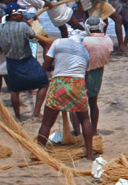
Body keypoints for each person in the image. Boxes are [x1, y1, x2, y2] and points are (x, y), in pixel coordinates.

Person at [37, 30, 95, 161]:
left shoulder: (58, 42)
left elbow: (46, 64)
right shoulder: (85, 52)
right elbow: (85, 74)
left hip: (60, 83)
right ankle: (90, 154)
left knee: (46, 123)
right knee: (85, 119)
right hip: (77, 84)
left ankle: (38, 153)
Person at [0, 3, 49, 120]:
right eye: (20, 13)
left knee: (14, 89)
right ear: (13, 15)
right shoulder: (22, 26)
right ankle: (36, 112)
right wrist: (28, 24)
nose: (22, 15)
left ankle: (17, 116)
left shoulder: (0, 27)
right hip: (25, 60)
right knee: (44, 83)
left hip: (11, 62)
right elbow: (32, 35)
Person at [79, 16, 112, 134]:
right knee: (93, 102)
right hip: (98, 71)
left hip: (84, 72)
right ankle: (93, 130)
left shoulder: (85, 41)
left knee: (78, 104)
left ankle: (78, 131)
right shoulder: (108, 40)